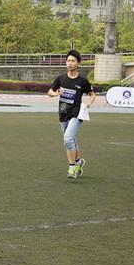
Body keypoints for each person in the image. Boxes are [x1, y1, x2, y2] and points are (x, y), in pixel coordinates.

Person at [48, 50, 95, 179]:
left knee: (68, 138)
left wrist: (88, 104)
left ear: (78, 63)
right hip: (63, 114)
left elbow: (92, 94)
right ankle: (79, 161)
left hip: (77, 114)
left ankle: (72, 167)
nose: (70, 63)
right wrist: (56, 93)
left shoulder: (82, 81)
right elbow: (49, 92)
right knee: (71, 140)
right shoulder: (60, 79)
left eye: (73, 61)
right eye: (68, 61)